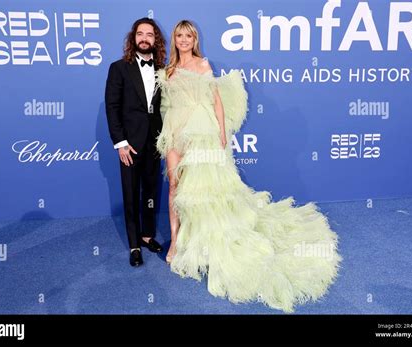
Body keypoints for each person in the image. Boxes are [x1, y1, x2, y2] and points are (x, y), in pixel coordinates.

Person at [154, 20, 342, 313]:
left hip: (202, 132)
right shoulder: (168, 71)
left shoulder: (204, 65)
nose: (184, 40)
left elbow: (216, 101)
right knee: (175, 187)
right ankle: (176, 243)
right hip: (174, 132)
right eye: (179, 35)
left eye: (189, 35)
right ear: (175, 40)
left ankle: (204, 241)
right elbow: (166, 105)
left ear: (195, 39)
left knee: (203, 190)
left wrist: (220, 134)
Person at [105, 18, 166, 267]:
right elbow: (112, 106)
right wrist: (119, 143)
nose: (144, 38)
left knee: (151, 193)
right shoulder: (119, 68)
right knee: (130, 195)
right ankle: (133, 246)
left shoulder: (163, 70)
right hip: (129, 144)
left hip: (155, 143)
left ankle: (147, 235)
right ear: (133, 39)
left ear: (155, 40)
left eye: (149, 35)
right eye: (140, 34)